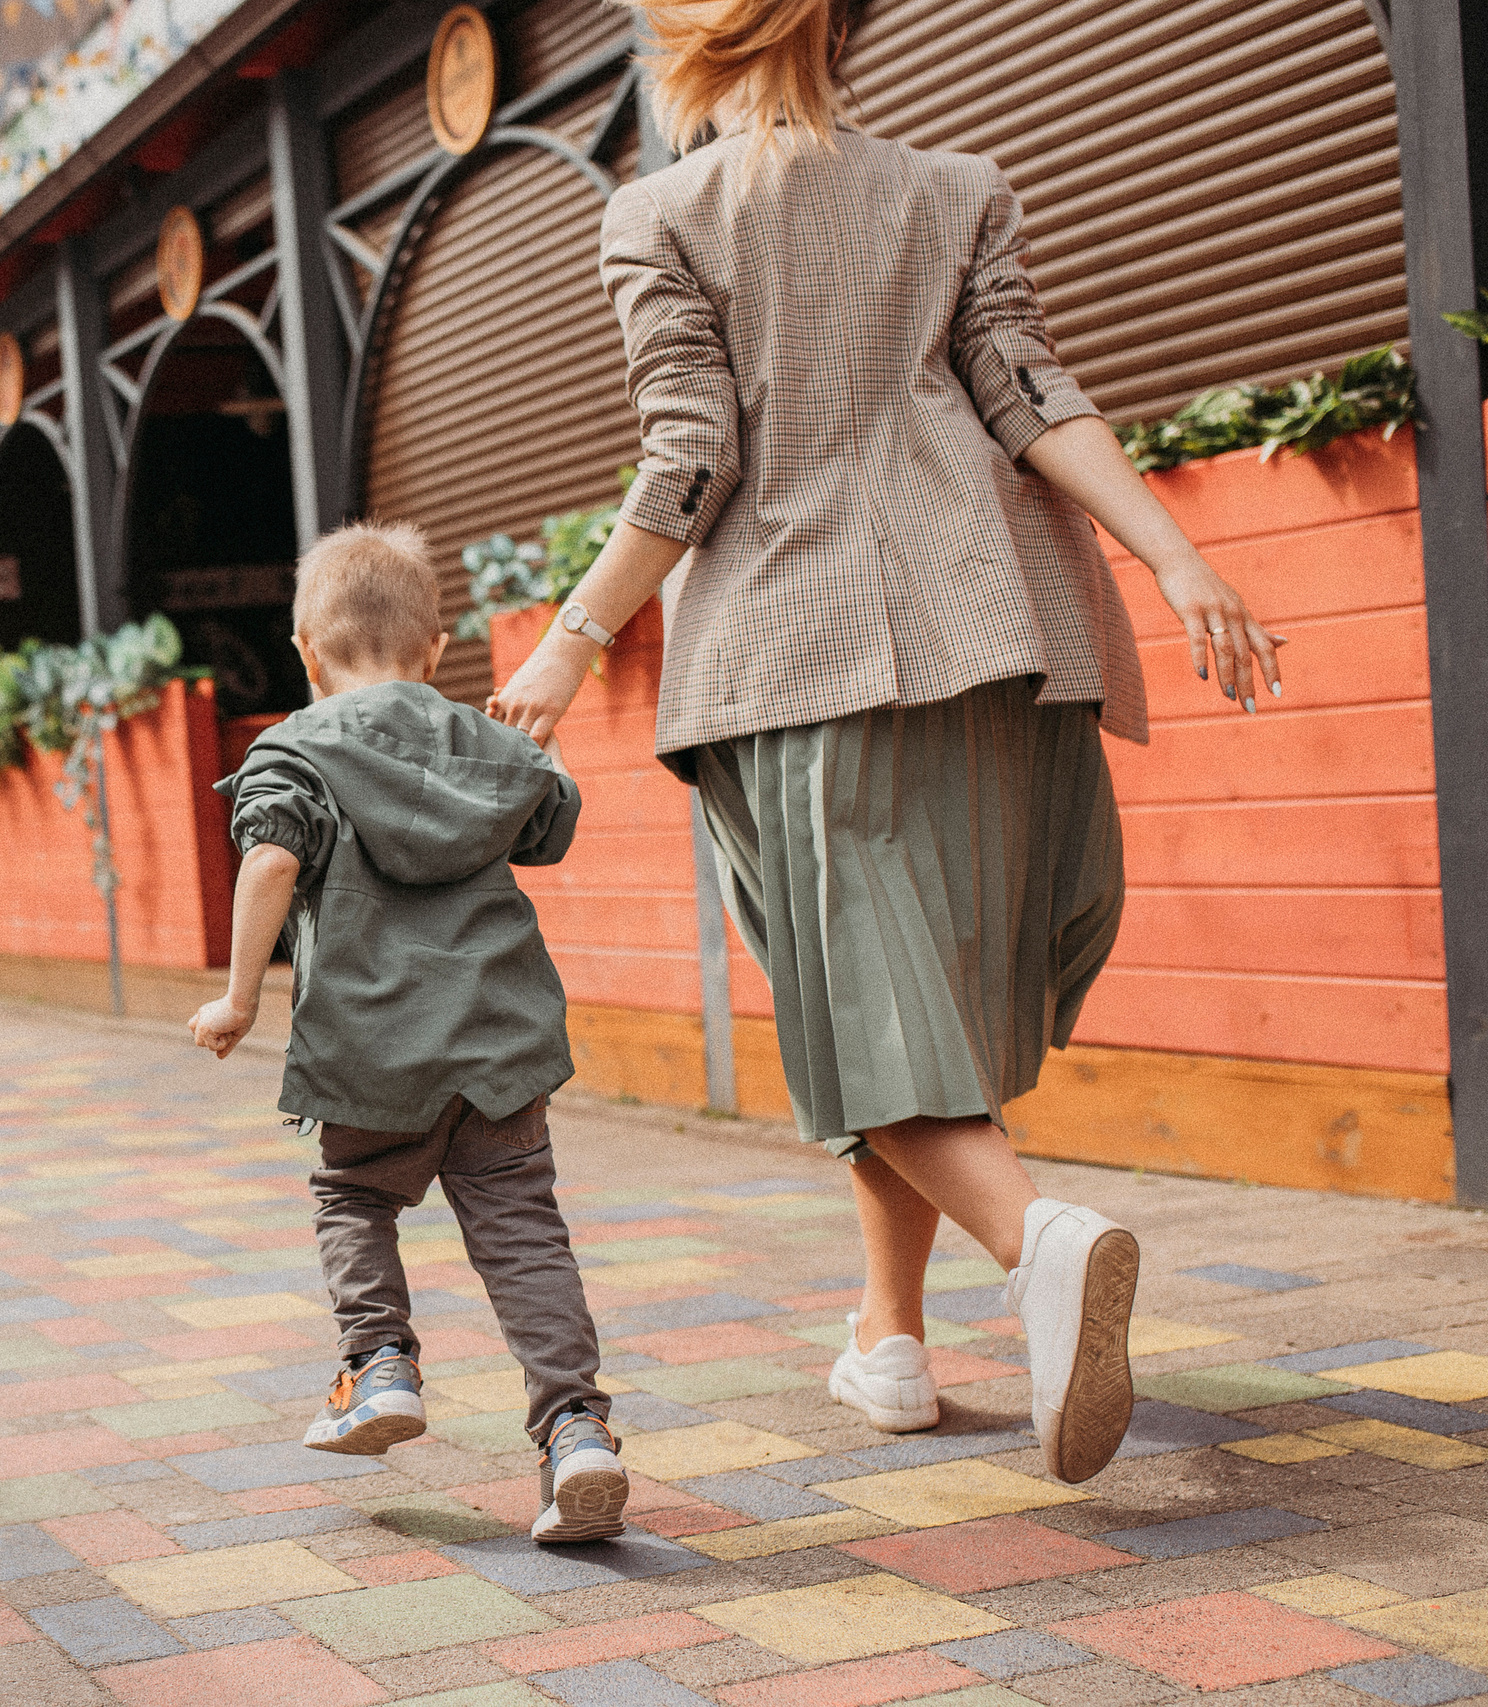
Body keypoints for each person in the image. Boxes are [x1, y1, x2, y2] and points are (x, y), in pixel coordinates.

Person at [488, 0, 1283, 1485]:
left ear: (685, 51)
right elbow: (1030, 393)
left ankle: (1033, 1239)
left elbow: (691, 451)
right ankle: (889, 1336)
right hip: (997, 635)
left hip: (798, 657)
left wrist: (570, 636)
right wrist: (1179, 559)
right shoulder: (956, 187)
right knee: (912, 994)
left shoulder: (660, 214)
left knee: (858, 1003)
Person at [187, 521, 630, 1545]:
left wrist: (240, 999)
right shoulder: (485, 745)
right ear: (436, 648)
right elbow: (550, 827)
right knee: (521, 1234)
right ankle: (576, 1432)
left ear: (305, 652)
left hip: (369, 1047)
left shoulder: (295, 748)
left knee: (353, 1198)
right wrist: (533, 750)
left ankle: (378, 1363)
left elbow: (268, 862)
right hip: (498, 1044)